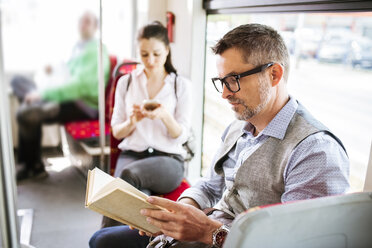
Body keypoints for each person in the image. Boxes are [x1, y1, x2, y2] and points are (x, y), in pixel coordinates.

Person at [89, 23, 349, 248]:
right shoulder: (240, 126)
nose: (224, 94)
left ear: (274, 74)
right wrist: (182, 209)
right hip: (210, 229)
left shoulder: (315, 152)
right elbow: (212, 184)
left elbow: (294, 242)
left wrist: (207, 231)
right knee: (101, 240)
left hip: (222, 238)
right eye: (221, 81)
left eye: (234, 79)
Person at [100, 21, 192, 229]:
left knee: (126, 181)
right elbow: (117, 131)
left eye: (156, 54)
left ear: (167, 51)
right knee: (137, 203)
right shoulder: (126, 82)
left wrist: (165, 116)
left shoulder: (181, 86)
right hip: (132, 155)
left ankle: (101, 240)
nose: (150, 60)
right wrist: (132, 121)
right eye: (143, 54)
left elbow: (182, 135)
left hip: (167, 160)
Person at [12, 11, 110, 180]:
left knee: (27, 114)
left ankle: (33, 166)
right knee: (17, 81)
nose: (83, 25)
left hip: (82, 105)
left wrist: (43, 94)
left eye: (87, 22)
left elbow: (80, 86)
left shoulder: (96, 50)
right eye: (81, 21)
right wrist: (53, 72)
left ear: (96, 27)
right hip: (68, 97)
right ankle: (41, 106)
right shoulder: (78, 48)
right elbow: (67, 75)